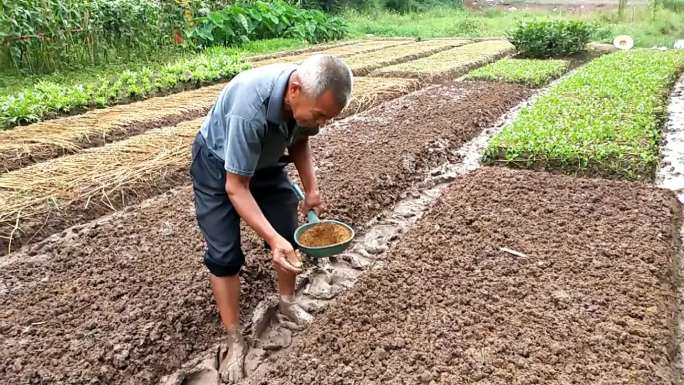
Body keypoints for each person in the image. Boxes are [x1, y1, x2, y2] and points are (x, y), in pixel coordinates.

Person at [190, 54, 353, 383]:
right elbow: (236, 187)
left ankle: (287, 302)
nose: (322, 123)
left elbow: (301, 140)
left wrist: (311, 190)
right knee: (224, 255)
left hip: (266, 161)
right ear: (294, 90)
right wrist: (271, 240)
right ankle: (234, 337)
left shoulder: (305, 100)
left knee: (288, 233)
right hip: (218, 166)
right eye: (320, 116)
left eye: (328, 119)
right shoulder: (249, 108)